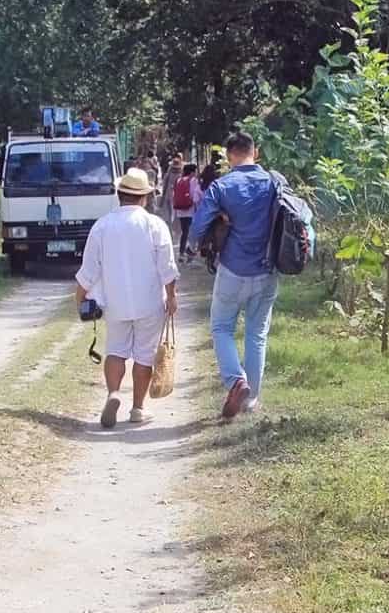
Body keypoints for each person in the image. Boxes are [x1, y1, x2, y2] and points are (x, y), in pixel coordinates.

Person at [189, 131, 312, 420]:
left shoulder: (221, 187)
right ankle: (251, 399)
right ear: (255, 153)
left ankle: (236, 381)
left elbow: (197, 229)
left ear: (229, 156)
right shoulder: (274, 182)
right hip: (267, 270)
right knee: (257, 334)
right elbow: (301, 217)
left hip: (232, 270)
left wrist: (202, 239)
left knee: (222, 327)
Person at [75, 167, 179, 429]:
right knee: (144, 355)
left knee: (115, 350)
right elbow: (166, 267)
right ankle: (138, 409)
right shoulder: (155, 225)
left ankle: (113, 393)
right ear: (144, 197)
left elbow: (89, 270)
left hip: (115, 303)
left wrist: (80, 299)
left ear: (119, 194)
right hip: (149, 303)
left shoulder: (102, 226)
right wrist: (171, 296)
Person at [172, 162, 201, 262]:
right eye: (195, 171)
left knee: (184, 232)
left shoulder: (179, 179)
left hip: (180, 210)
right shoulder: (193, 181)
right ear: (192, 172)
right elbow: (194, 196)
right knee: (190, 232)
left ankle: (181, 253)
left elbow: (175, 194)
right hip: (190, 210)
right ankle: (189, 252)